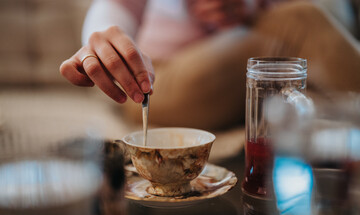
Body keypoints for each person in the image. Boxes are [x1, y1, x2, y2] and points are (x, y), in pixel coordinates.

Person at [60, 0, 360, 130]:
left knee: (301, 21)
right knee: (301, 23)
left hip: (249, 53)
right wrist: (103, 39)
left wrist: (250, 5)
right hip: (155, 79)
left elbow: (338, 16)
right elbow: (114, 7)